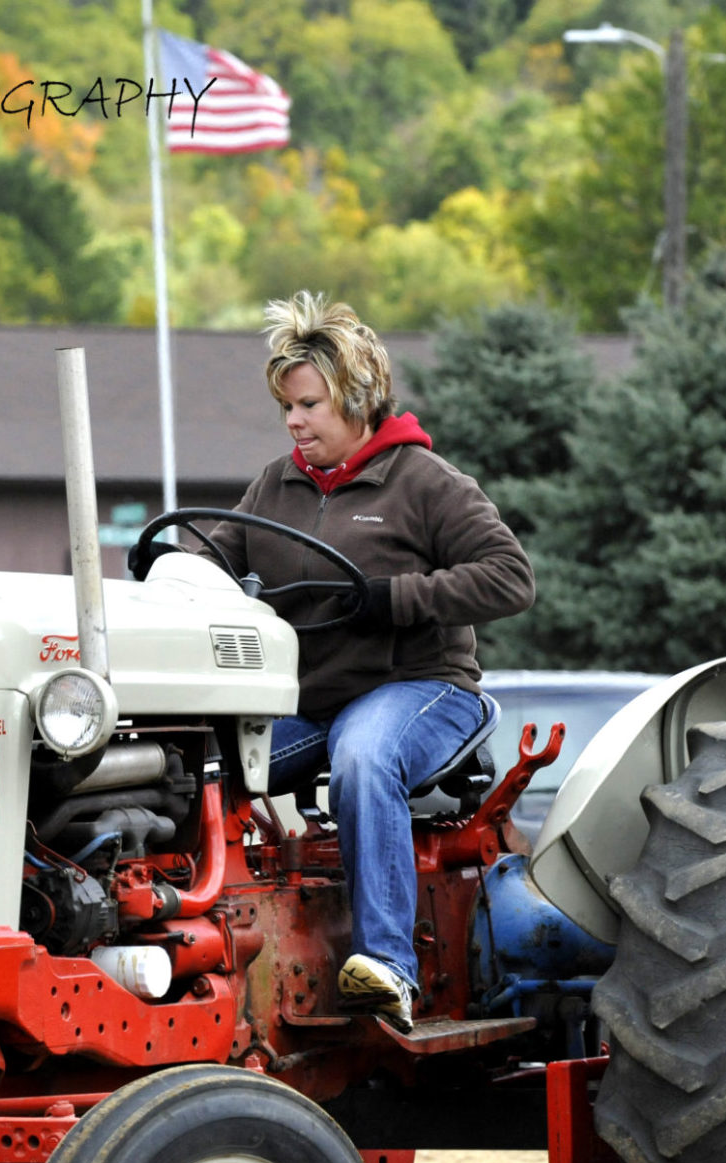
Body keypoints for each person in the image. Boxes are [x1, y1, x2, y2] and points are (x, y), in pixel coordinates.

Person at [199, 292, 534, 1030]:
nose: (294, 422)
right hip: (314, 699)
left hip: (419, 690)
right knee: (206, 766)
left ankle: (388, 966)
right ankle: (202, 947)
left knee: (363, 755)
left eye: (310, 405)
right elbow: (211, 560)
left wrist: (395, 598)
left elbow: (511, 578)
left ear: (356, 399)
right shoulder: (275, 487)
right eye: (287, 407)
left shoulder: (425, 483)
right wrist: (170, 574)